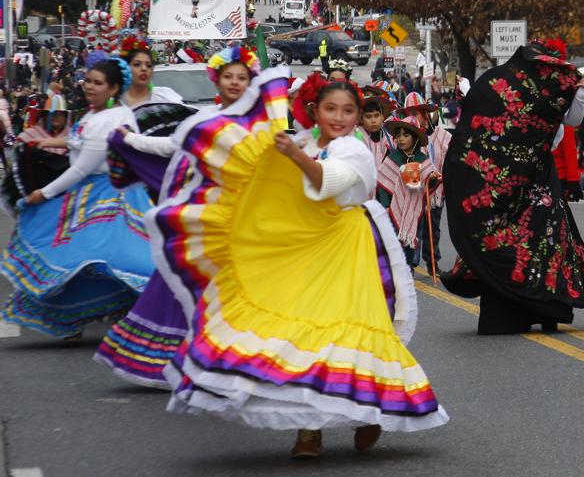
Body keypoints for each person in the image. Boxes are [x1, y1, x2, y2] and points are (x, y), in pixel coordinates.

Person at [147, 69, 448, 458]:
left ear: (357, 116)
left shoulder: (352, 148)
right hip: (302, 246)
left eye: (348, 110)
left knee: (343, 332)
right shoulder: (304, 141)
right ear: (314, 110)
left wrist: (294, 156)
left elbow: (333, 181)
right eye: (330, 109)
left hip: (347, 247)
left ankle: (367, 412)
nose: (339, 117)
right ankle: (309, 430)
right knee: (302, 334)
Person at [94, 47, 257, 388]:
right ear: (218, 78)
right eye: (229, 76)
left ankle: (234, 361)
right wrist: (131, 140)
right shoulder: (204, 118)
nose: (235, 83)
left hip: (245, 221)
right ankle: (183, 359)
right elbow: (171, 147)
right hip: (206, 218)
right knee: (184, 284)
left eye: (242, 77)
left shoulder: (260, 122)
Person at [441, 39, 584, 334]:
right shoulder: (505, 87)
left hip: (535, 180)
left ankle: (543, 307)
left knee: (541, 242)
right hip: (509, 182)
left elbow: (570, 123)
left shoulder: (539, 92)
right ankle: (534, 308)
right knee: (523, 241)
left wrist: (579, 92)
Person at [1, 58, 154, 339]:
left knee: (99, 259)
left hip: (110, 197)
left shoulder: (114, 118)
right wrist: (45, 142)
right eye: (88, 81)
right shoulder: (96, 115)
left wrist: (43, 193)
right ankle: (77, 316)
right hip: (93, 193)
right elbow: (79, 142)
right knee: (84, 260)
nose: (89, 87)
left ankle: (133, 312)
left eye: (97, 83)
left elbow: (83, 166)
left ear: (113, 88)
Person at [395, 93, 451, 275]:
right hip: (412, 193)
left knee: (433, 229)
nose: (414, 116)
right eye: (409, 113)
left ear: (425, 113)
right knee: (412, 226)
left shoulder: (441, 135)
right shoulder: (405, 141)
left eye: (417, 112)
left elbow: (451, 156)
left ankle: (433, 262)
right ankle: (410, 262)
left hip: (434, 191)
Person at [377, 116, 440, 269]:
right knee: (393, 244)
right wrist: (386, 205)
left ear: (415, 137)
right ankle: (395, 272)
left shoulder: (422, 159)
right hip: (393, 208)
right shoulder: (393, 158)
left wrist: (431, 178)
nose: (401, 139)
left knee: (411, 242)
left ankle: (408, 270)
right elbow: (382, 183)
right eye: (398, 135)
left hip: (414, 209)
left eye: (406, 135)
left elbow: (429, 183)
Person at [117, 36, 184, 109]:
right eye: (137, 64)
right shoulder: (114, 102)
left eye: (148, 65)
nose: (144, 69)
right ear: (126, 67)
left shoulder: (165, 97)